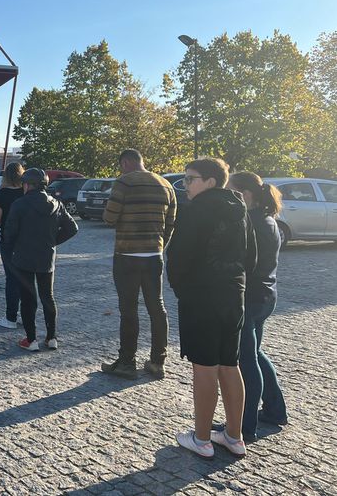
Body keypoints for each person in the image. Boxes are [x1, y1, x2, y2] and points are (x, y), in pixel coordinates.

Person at [167, 157, 256, 459]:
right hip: (234, 296)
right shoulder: (240, 209)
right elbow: (251, 257)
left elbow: (178, 257)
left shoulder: (196, 210)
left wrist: (183, 291)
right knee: (230, 365)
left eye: (190, 179)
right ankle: (234, 435)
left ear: (210, 181)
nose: (186, 185)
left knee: (204, 367)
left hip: (202, 298)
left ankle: (202, 438)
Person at [100, 149, 177, 380]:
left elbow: (109, 217)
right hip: (154, 255)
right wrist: (159, 246)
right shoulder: (166, 184)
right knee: (157, 307)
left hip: (127, 255)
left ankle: (126, 362)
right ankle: (157, 361)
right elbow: (171, 224)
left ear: (125, 163)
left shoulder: (124, 183)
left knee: (129, 309)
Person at [227, 171, 287, 442]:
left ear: (246, 194)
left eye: (231, 191)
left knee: (246, 361)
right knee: (256, 354)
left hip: (250, 298)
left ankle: (244, 424)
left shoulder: (250, 222)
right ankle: (275, 410)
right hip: (266, 296)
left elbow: (240, 263)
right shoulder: (268, 219)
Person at [5, 168, 78, 350]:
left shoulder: (19, 204)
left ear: (28, 184)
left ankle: (31, 340)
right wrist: (53, 241)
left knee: (28, 299)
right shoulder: (56, 204)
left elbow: (10, 233)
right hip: (46, 256)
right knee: (48, 297)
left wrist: (10, 249)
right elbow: (72, 228)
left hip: (24, 257)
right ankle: (51, 338)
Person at [0, 162, 25, 328]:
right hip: (26, 239)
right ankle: (24, 315)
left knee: (11, 278)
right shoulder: (25, 191)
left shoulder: (3, 194)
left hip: (8, 240)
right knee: (25, 277)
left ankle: (11, 316)